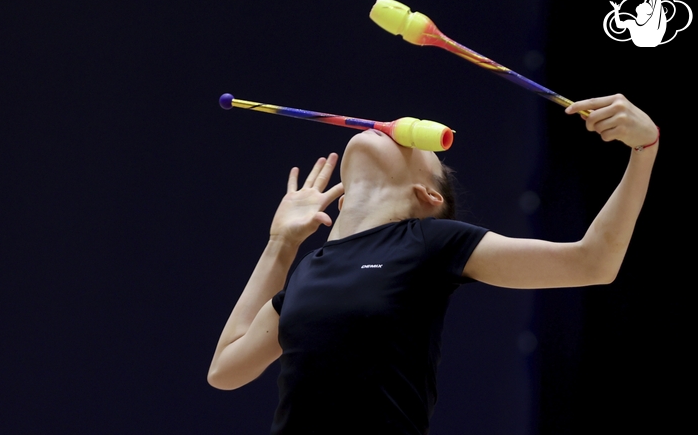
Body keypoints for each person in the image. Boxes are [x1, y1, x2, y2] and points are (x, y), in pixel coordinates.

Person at [207, 94, 658, 434]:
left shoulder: (430, 241)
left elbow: (592, 262)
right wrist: (282, 244)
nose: (390, 128)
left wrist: (644, 150)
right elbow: (226, 370)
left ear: (428, 196)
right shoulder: (311, 268)